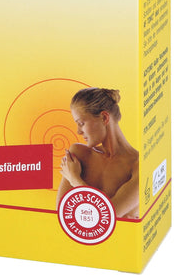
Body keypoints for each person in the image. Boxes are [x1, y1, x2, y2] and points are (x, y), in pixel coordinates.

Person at [56, 88, 139, 218]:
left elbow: (108, 216)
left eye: (81, 123)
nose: (78, 131)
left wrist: (75, 180)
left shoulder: (139, 165)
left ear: (104, 118)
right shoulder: (79, 154)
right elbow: (63, 213)